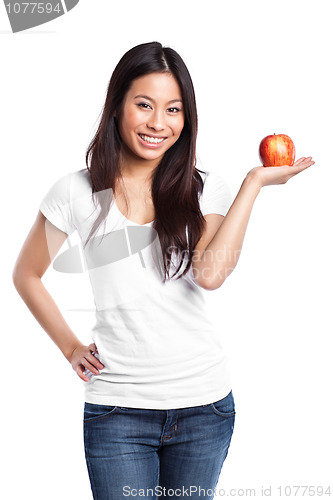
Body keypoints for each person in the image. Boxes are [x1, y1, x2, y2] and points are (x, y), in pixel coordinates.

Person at [12, 41, 315, 500]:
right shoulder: (77, 191)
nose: (158, 123)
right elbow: (26, 274)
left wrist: (253, 184)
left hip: (204, 408)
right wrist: (70, 347)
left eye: (173, 109)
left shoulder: (205, 190)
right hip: (118, 411)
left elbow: (210, 275)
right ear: (117, 108)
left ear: (186, 119)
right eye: (144, 105)